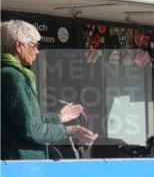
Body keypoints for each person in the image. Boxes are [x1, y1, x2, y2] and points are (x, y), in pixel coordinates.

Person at [1, 20, 97, 160]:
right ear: (18, 46)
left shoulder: (9, 74)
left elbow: (28, 122)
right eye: (34, 46)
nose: (37, 51)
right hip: (21, 164)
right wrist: (71, 130)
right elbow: (32, 131)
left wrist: (58, 117)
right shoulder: (12, 76)